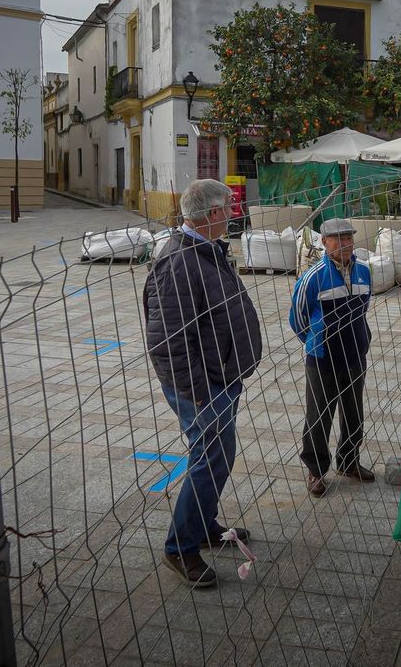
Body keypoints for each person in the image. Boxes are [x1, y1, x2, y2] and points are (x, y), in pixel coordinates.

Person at [142, 179, 264, 588]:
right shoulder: (179, 261)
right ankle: (180, 547)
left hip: (219, 377)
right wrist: (199, 393)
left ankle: (202, 524)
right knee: (209, 457)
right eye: (228, 207)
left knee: (219, 456)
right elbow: (167, 342)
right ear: (212, 213)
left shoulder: (207, 249)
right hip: (202, 386)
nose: (233, 212)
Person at [289, 218, 375, 497]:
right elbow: (298, 318)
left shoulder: (364, 271)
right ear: (324, 242)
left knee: (354, 413)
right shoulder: (313, 277)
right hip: (322, 358)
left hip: (355, 356)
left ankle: (349, 462)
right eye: (337, 239)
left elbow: (363, 310)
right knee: (318, 417)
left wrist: (361, 340)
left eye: (348, 237)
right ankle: (316, 469)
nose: (344, 244)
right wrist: (316, 340)